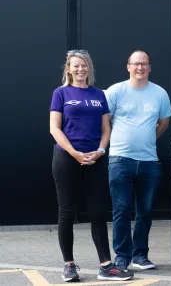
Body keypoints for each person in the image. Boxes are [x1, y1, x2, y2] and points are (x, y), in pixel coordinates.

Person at [49, 50, 134, 282]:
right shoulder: (61, 93)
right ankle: (68, 265)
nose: (80, 70)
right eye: (76, 66)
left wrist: (100, 150)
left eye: (84, 66)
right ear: (68, 68)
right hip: (67, 158)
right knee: (66, 211)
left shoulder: (99, 95)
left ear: (89, 68)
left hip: (95, 159)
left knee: (98, 212)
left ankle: (106, 266)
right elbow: (54, 129)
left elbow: (106, 128)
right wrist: (75, 153)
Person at [104, 50, 171, 272]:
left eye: (144, 64)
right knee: (121, 210)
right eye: (136, 64)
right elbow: (106, 122)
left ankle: (140, 255)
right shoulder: (116, 91)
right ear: (128, 67)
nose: (140, 68)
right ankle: (122, 256)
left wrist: (146, 139)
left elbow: (163, 124)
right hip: (120, 160)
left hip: (149, 162)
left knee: (145, 211)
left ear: (150, 67)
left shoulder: (160, 93)